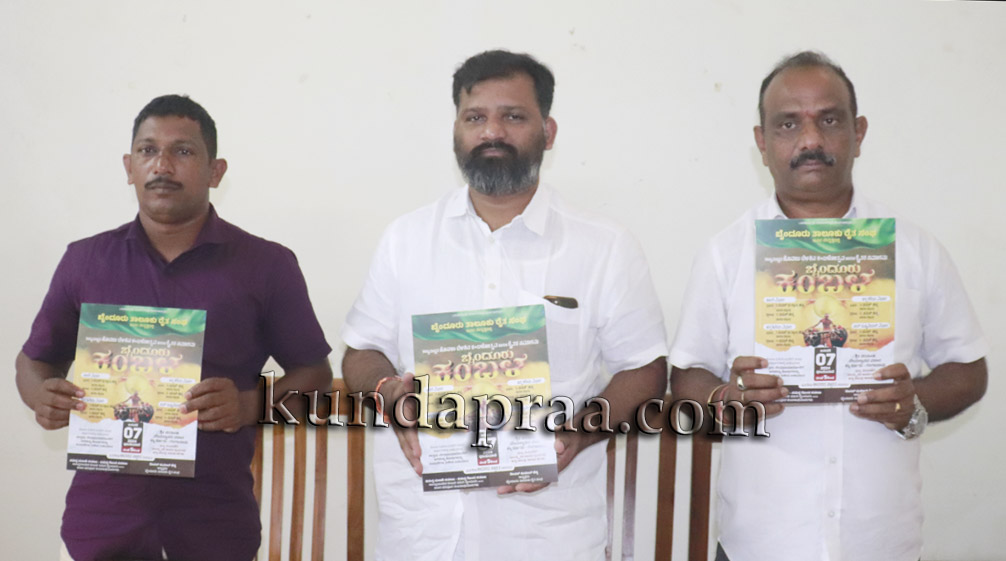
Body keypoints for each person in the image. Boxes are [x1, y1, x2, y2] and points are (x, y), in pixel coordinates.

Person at [341, 50, 668, 560]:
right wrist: (389, 394)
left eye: (513, 116)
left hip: (547, 537)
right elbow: (361, 352)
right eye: (475, 118)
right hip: (420, 537)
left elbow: (645, 369)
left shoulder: (605, 246)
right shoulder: (405, 240)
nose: (492, 132)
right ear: (456, 131)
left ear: (548, 132)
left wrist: (580, 433)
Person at [669, 51, 989, 561]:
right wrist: (726, 399)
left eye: (830, 120)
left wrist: (915, 402)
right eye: (788, 124)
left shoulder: (915, 249)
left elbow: (968, 371)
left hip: (882, 543)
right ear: (762, 142)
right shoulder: (725, 254)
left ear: (859, 133)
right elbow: (687, 375)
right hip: (760, 544)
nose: (810, 140)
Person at [15, 94, 333, 561]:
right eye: (148, 150)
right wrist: (40, 394)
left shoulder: (266, 265)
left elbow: (316, 375)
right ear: (129, 167)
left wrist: (249, 405)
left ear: (215, 171)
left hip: (214, 526)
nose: (162, 165)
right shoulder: (85, 261)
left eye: (183, 151)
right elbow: (34, 360)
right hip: (101, 526)